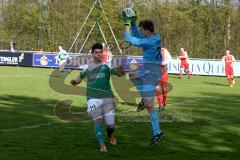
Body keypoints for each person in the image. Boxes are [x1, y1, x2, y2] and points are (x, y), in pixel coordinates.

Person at [70, 43, 125, 152]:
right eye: (96, 52)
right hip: (92, 97)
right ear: (92, 53)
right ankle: (101, 144)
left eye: (100, 52)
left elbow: (120, 74)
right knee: (98, 120)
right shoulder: (87, 67)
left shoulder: (107, 65)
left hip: (107, 97)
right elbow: (80, 78)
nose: (98, 54)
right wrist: (74, 82)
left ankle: (109, 136)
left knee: (111, 126)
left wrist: (122, 69)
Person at [122, 8, 164, 148]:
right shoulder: (155, 37)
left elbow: (130, 38)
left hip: (151, 72)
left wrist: (127, 23)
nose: (141, 32)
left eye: (142, 30)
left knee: (150, 105)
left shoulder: (149, 42)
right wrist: (134, 23)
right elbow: (139, 36)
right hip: (149, 69)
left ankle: (157, 132)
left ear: (146, 30)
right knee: (132, 75)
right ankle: (144, 100)